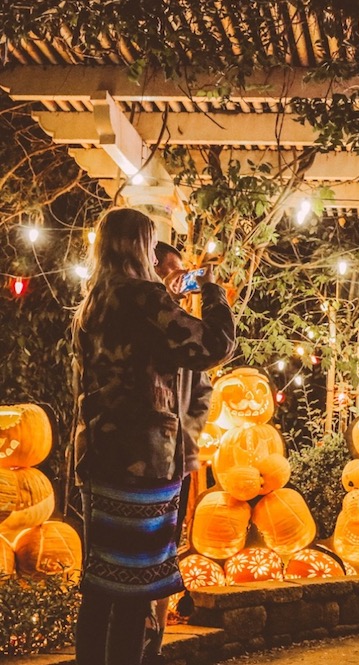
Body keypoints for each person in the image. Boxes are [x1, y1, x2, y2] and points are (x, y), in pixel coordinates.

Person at [71, 208, 235, 665]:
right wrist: (212, 292)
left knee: (100, 584)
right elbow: (213, 346)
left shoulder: (93, 303)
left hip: (97, 455)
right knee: (135, 587)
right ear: (140, 246)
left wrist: (169, 299)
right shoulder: (144, 298)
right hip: (142, 459)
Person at [141, 241, 216, 663]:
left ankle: (154, 642)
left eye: (182, 273)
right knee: (138, 558)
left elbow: (202, 391)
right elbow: (220, 341)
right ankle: (136, 641)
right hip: (142, 459)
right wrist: (214, 292)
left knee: (165, 554)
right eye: (171, 271)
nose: (180, 281)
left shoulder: (182, 327)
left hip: (176, 460)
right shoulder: (140, 316)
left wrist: (187, 437)